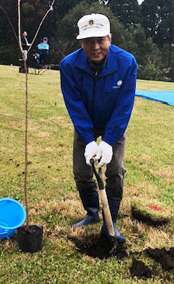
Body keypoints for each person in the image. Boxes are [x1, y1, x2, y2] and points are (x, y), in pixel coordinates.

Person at [60, 13, 137, 243]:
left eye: (100, 40)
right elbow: (75, 107)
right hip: (86, 124)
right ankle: (93, 212)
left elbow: (124, 107)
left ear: (109, 38)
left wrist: (108, 142)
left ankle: (109, 222)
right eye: (88, 41)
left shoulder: (126, 63)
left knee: (115, 171)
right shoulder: (69, 66)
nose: (95, 47)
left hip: (113, 123)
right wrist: (89, 139)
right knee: (81, 171)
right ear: (80, 42)